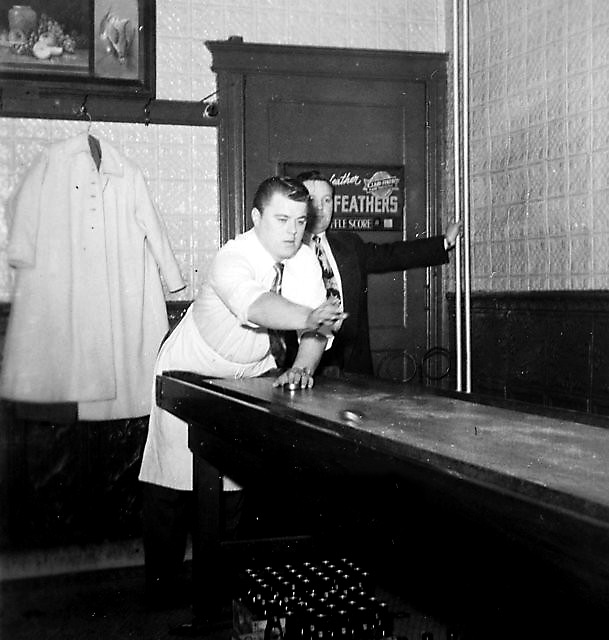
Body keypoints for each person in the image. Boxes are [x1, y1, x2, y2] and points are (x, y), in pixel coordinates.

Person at [137, 176, 343, 616]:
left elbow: (318, 330)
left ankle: (221, 593)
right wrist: (309, 315)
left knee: (232, 486)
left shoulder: (305, 259)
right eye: (281, 219)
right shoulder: (233, 256)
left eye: (300, 221)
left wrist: (303, 368)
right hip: (190, 368)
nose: (292, 230)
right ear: (256, 218)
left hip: (250, 374)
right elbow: (257, 306)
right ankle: (160, 596)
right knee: (170, 487)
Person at [296, 170, 461, 377]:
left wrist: (444, 242)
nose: (320, 208)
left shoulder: (349, 245)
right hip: (300, 366)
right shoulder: (286, 250)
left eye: (327, 200)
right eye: (311, 200)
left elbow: (392, 255)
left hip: (350, 366)